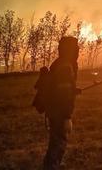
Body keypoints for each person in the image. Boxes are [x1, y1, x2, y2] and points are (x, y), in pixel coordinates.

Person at [43, 36, 81, 170]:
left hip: (53, 110)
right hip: (59, 112)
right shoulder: (66, 66)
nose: (78, 51)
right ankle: (52, 166)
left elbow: (61, 88)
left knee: (55, 142)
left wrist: (73, 90)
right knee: (59, 143)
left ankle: (52, 165)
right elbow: (63, 94)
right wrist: (67, 117)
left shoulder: (60, 63)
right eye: (76, 48)